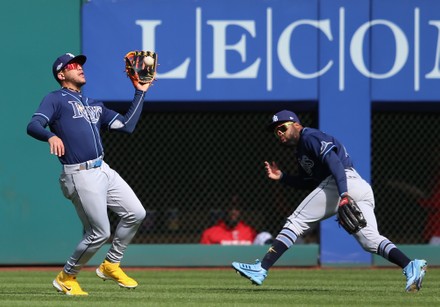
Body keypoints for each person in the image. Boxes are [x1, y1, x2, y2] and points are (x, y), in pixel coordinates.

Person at [231, 110, 428, 293]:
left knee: (295, 221)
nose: (279, 133)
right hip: (358, 187)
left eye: (283, 127)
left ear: (297, 125)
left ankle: (261, 268)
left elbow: (335, 163)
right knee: (370, 241)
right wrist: (282, 176)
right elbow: (308, 183)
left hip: (342, 182)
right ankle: (410, 265)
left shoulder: (310, 137)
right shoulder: (300, 152)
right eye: (276, 132)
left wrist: (343, 195)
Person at [26, 52, 154, 295]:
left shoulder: (94, 103)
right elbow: (33, 125)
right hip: (80, 174)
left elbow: (126, 126)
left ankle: (111, 264)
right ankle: (66, 277)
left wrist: (140, 91)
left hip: (103, 169)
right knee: (100, 232)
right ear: (62, 75)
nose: (80, 68)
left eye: (81, 64)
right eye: (73, 65)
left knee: (136, 213)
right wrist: (50, 135)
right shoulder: (55, 99)